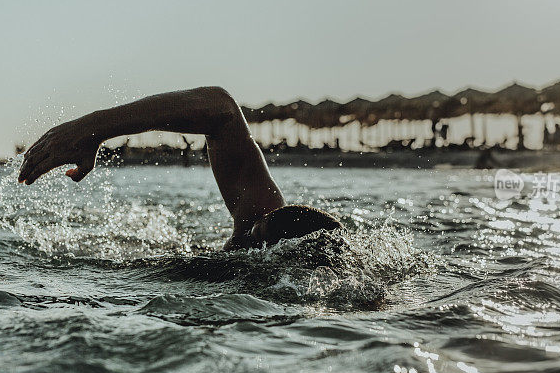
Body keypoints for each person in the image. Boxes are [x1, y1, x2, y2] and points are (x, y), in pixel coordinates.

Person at [18, 86, 342, 250]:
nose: (244, 235)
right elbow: (221, 108)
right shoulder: (263, 228)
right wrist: (92, 129)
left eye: (253, 235)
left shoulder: (258, 256)